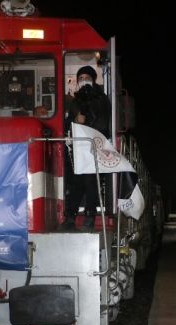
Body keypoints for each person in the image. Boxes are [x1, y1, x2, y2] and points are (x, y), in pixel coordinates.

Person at [61, 65, 112, 231]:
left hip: (93, 147)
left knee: (91, 183)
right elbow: (69, 122)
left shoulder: (102, 99)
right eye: (80, 78)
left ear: (93, 79)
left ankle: (90, 216)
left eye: (86, 77)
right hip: (77, 148)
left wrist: (86, 122)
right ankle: (70, 217)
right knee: (76, 183)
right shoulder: (75, 101)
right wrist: (74, 121)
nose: (84, 81)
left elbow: (103, 124)